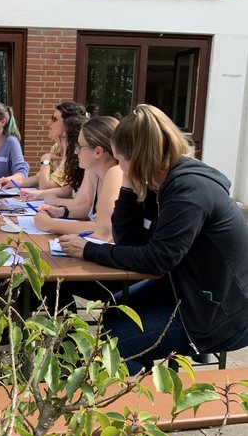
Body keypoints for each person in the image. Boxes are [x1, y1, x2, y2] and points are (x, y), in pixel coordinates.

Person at [59, 105, 248, 373]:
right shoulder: (154, 183)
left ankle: (140, 407)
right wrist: (128, 182)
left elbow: (158, 259)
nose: (118, 166)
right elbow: (128, 242)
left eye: (121, 159)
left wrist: (90, 250)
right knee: (113, 314)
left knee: (106, 347)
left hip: (217, 311)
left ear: (139, 157)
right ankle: (140, 376)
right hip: (182, 289)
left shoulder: (188, 190)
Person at [34, 116, 122, 243]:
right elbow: (89, 210)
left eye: (80, 146)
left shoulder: (115, 173)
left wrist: (51, 224)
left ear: (98, 152)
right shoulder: (94, 170)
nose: (75, 151)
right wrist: (61, 212)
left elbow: (104, 232)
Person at [19, 102, 87, 190]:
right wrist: (13, 183)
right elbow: (41, 177)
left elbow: (45, 186)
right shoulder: (56, 147)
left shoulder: (75, 152)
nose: (48, 122)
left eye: (54, 119)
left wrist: (45, 160)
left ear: (68, 124)